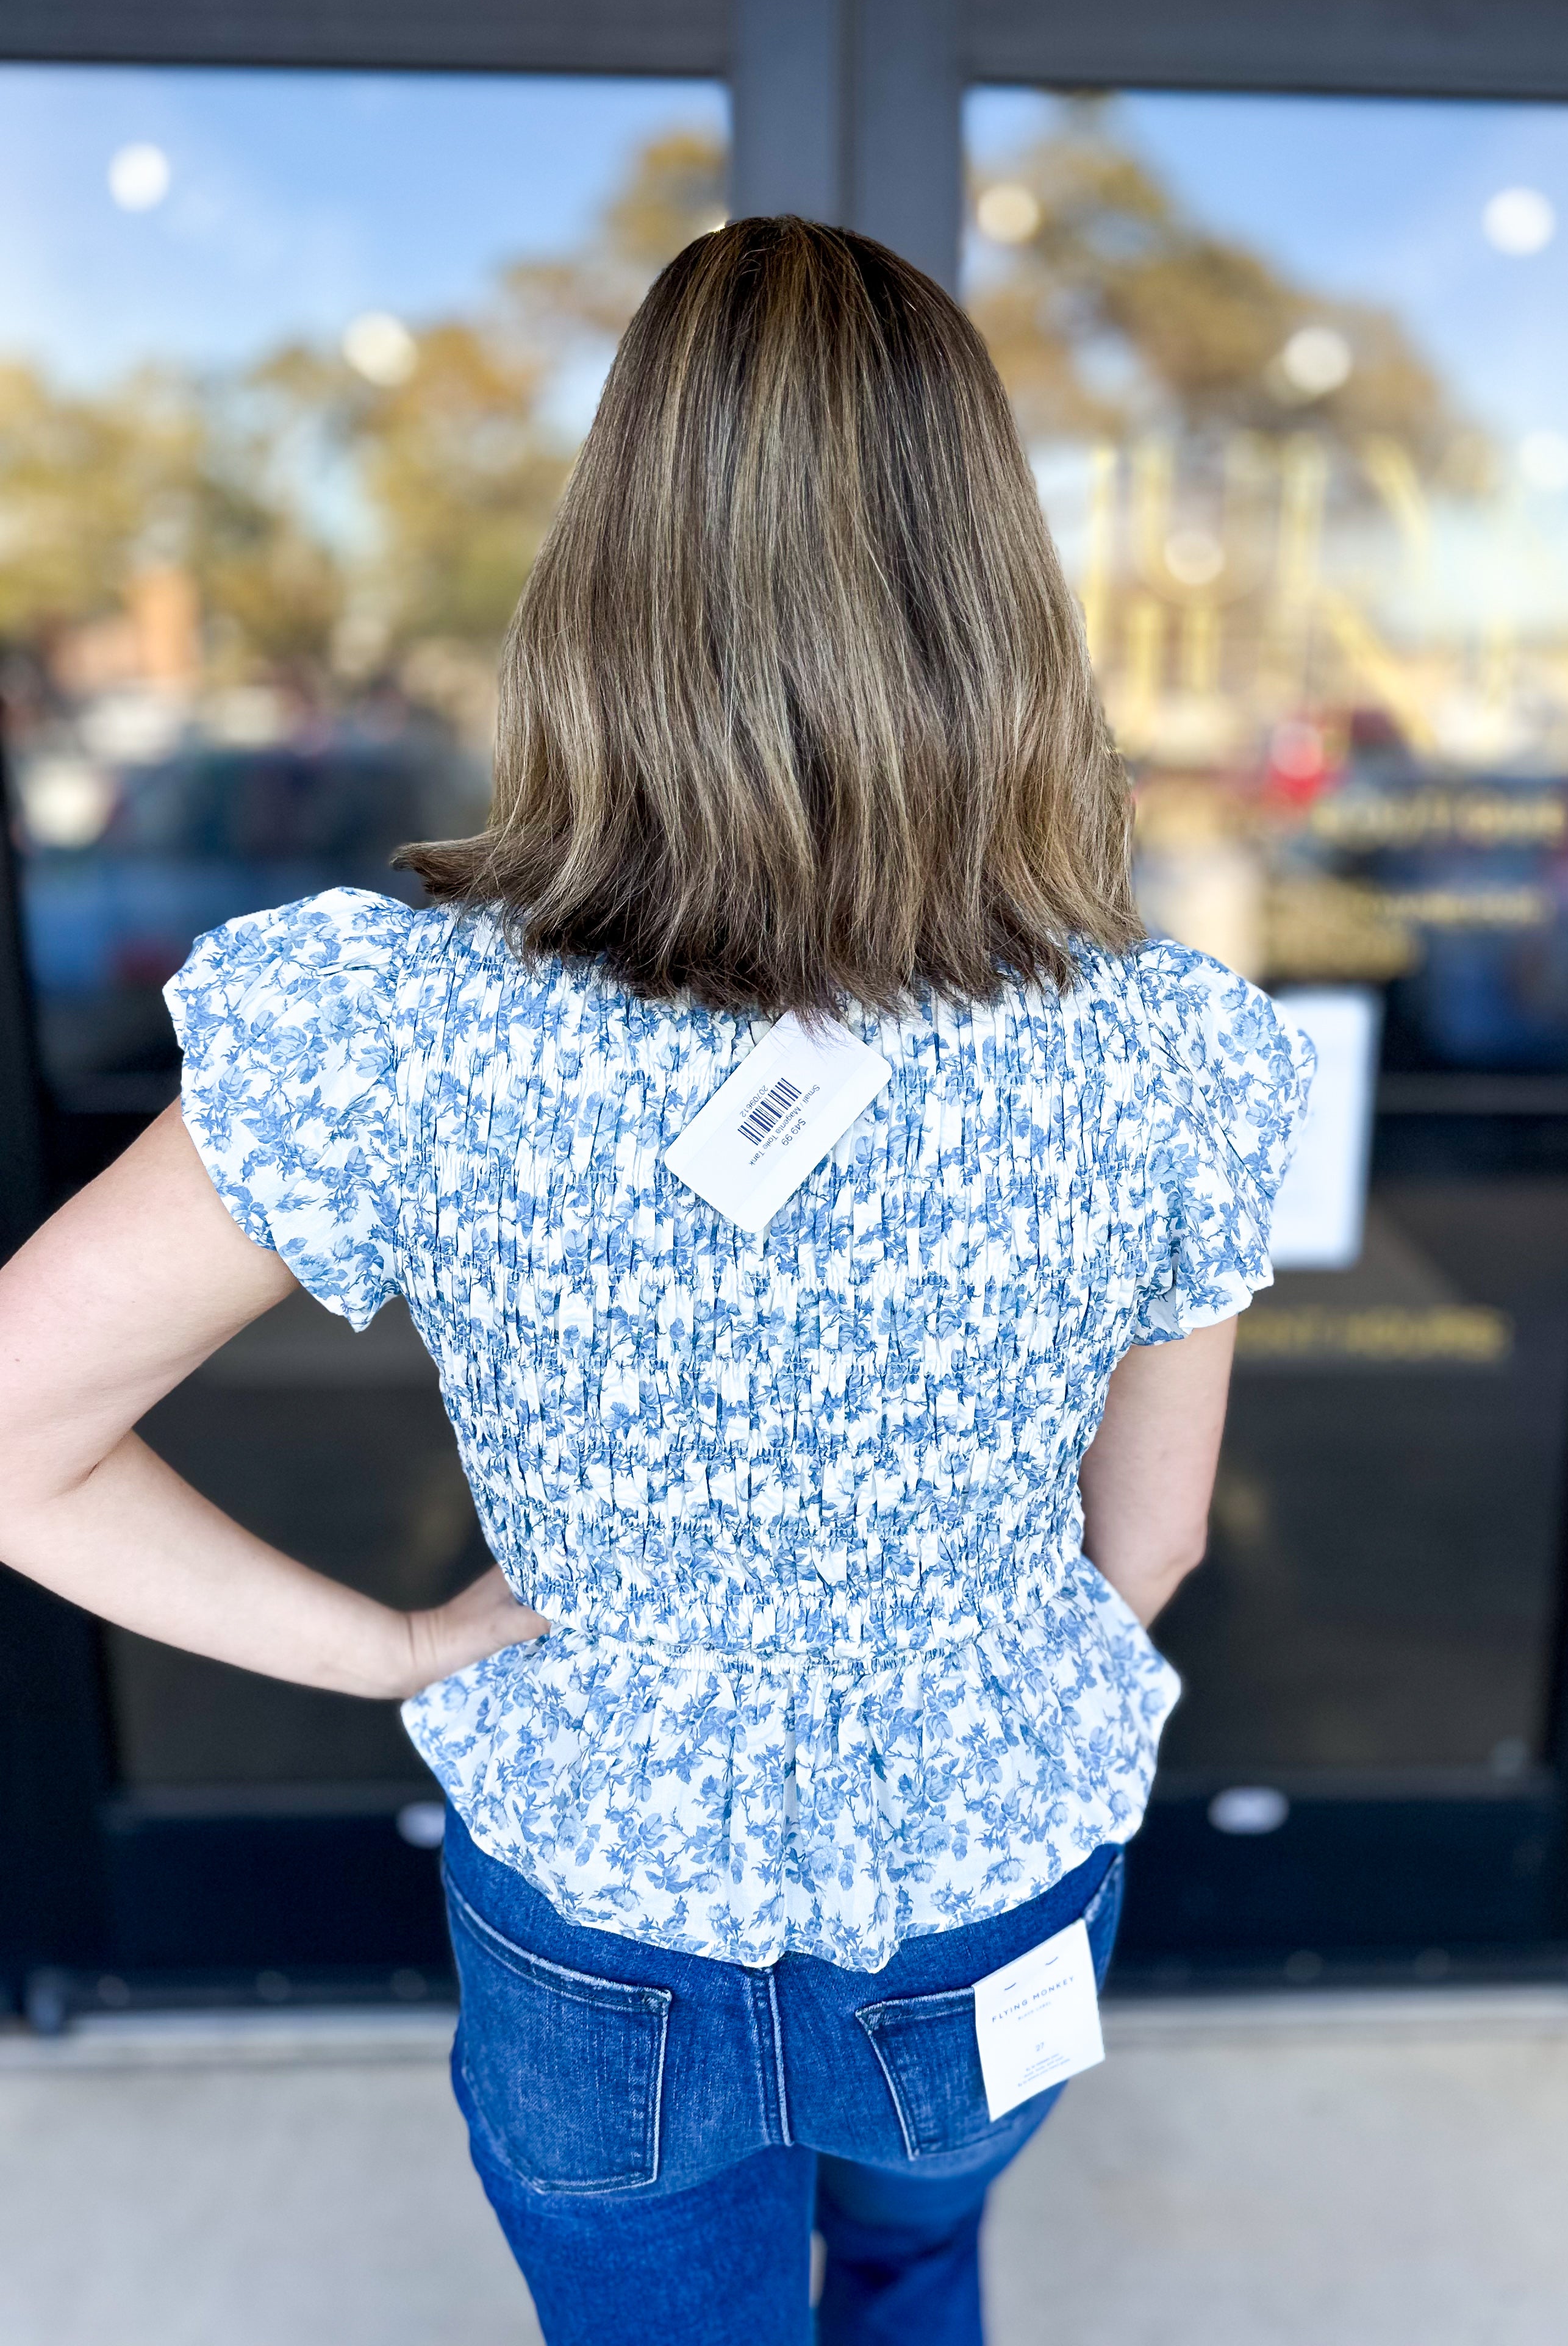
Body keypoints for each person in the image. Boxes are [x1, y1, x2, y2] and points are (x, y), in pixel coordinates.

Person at [0, 218, 1313, 2345]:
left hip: (596, 1925)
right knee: (919, 2261)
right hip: (994, 1889)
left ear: (611, 584)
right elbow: (1143, 1544)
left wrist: (391, 1648)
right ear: (997, 595)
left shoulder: (407, 1027)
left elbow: (11, 1432)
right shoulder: (1166, 1048)